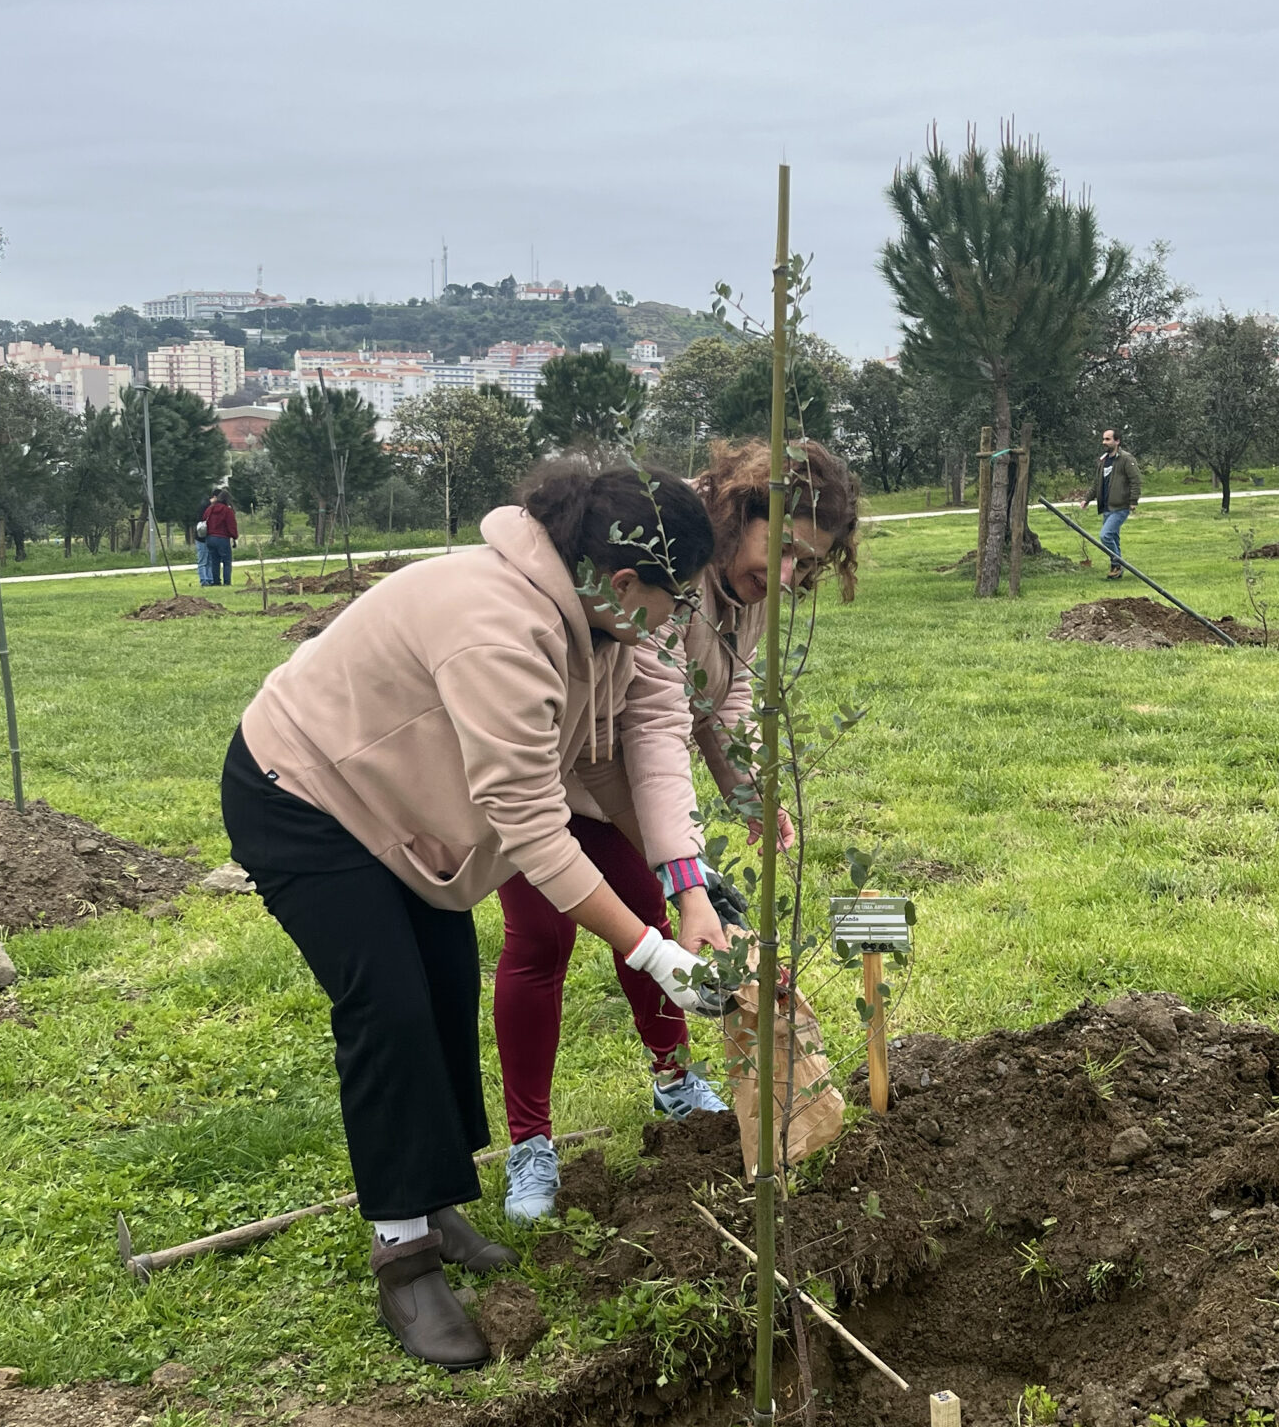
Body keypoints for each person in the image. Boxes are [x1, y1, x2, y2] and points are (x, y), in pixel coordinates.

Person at [221, 461, 718, 1371]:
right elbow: (532, 819)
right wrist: (648, 951)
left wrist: (688, 882)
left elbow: (653, 735)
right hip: (305, 795)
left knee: (445, 989)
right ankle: (402, 1255)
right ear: (621, 582)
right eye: (675, 600)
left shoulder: (619, 628)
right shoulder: (497, 625)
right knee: (390, 1008)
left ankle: (436, 1201)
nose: (683, 621)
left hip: (400, 812)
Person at [495, 436, 860, 1219]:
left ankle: (671, 1079)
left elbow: (725, 697)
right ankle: (530, 1142)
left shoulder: (749, 594)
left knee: (656, 928)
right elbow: (656, 724)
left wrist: (748, 787)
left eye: (810, 566)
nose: (790, 577)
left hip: (618, 788)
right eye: (786, 552)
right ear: (741, 511)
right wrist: (688, 872)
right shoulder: (670, 572)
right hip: (542, 775)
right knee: (543, 939)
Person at [1084, 427, 1141, 576]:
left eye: (1108, 439)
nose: (1104, 442)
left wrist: (1133, 500)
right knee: (1113, 538)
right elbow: (1097, 483)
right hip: (1107, 507)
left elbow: (1135, 480)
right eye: (1103, 439)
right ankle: (1116, 570)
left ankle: (1117, 564)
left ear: (1117, 441)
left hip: (1120, 506)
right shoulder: (1103, 461)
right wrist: (1087, 499)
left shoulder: (1126, 459)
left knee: (1105, 536)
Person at [202, 486, 238, 586]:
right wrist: (234, 536)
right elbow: (231, 525)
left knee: (214, 561)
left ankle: (216, 581)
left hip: (210, 538)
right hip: (222, 538)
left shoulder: (210, 509)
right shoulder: (227, 511)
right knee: (226, 561)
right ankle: (227, 582)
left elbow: (204, 519)